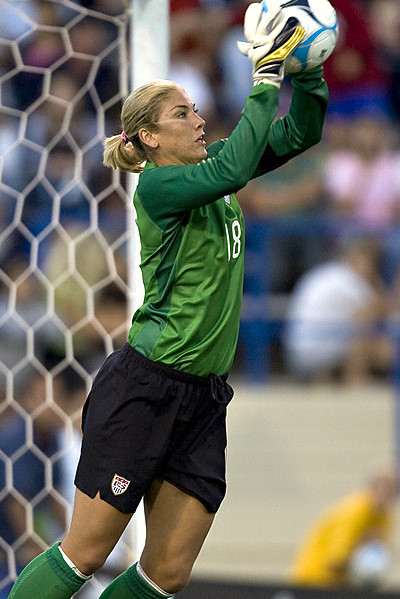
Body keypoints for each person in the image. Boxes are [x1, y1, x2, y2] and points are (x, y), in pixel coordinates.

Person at [8, 4, 329, 598]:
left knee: (168, 573)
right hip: (147, 387)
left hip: (203, 396)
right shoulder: (160, 186)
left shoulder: (211, 169)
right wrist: (265, 77)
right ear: (150, 138)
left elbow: (301, 132)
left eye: (197, 109)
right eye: (182, 113)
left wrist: (304, 67)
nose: (198, 118)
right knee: (85, 552)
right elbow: (238, 165)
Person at [283, 238, 394, 385]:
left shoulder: (329, 272)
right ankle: (354, 387)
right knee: (364, 334)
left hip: (294, 351)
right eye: (370, 261)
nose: (372, 267)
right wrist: (378, 282)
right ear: (355, 257)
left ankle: (324, 382)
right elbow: (381, 310)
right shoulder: (347, 277)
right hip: (308, 353)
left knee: (355, 328)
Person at [290, 468, 400, 589]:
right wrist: (360, 547)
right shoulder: (353, 512)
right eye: (385, 489)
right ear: (373, 487)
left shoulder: (384, 516)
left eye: (392, 491)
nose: (389, 496)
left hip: (341, 585)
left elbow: (381, 553)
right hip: (313, 581)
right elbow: (335, 561)